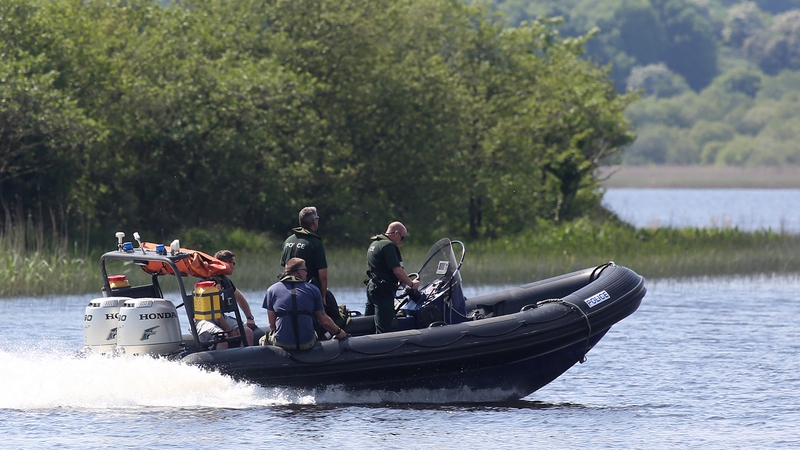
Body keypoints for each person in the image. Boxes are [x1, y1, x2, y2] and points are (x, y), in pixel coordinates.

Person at [262, 257, 347, 350]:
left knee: (262, 340)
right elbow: (324, 321)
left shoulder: (271, 290)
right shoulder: (313, 289)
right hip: (307, 343)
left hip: (281, 343)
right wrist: (339, 332)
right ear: (300, 272)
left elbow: (272, 325)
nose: (307, 273)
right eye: (305, 270)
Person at [195, 250, 257, 349]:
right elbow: (215, 315)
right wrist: (231, 331)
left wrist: (249, 317)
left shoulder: (224, 280)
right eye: (233, 263)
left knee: (248, 332)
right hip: (205, 320)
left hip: (221, 317)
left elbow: (240, 299)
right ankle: (221, 363)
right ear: (226, 264)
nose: (234, 266)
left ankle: (243, 360)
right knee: (222, 336)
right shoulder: (209, 282)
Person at [365, 221, 420, 333]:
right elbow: (398, 271)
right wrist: (412, 284)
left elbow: (383, 268)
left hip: (372, 288)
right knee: (384, 328)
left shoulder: (375, 244)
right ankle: (380, 348)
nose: (401, 242)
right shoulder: (388, 245)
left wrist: (403, 282)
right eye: (402, 238)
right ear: (396, 233)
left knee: (368, 323)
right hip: (383, 292)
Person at [280, 206, 329, 303]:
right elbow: (323, 275)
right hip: (308, 290)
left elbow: (284, 267)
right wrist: (323, 297)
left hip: (286, 291)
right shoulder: (315, 242)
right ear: (314, 221)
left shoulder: (288, 240)